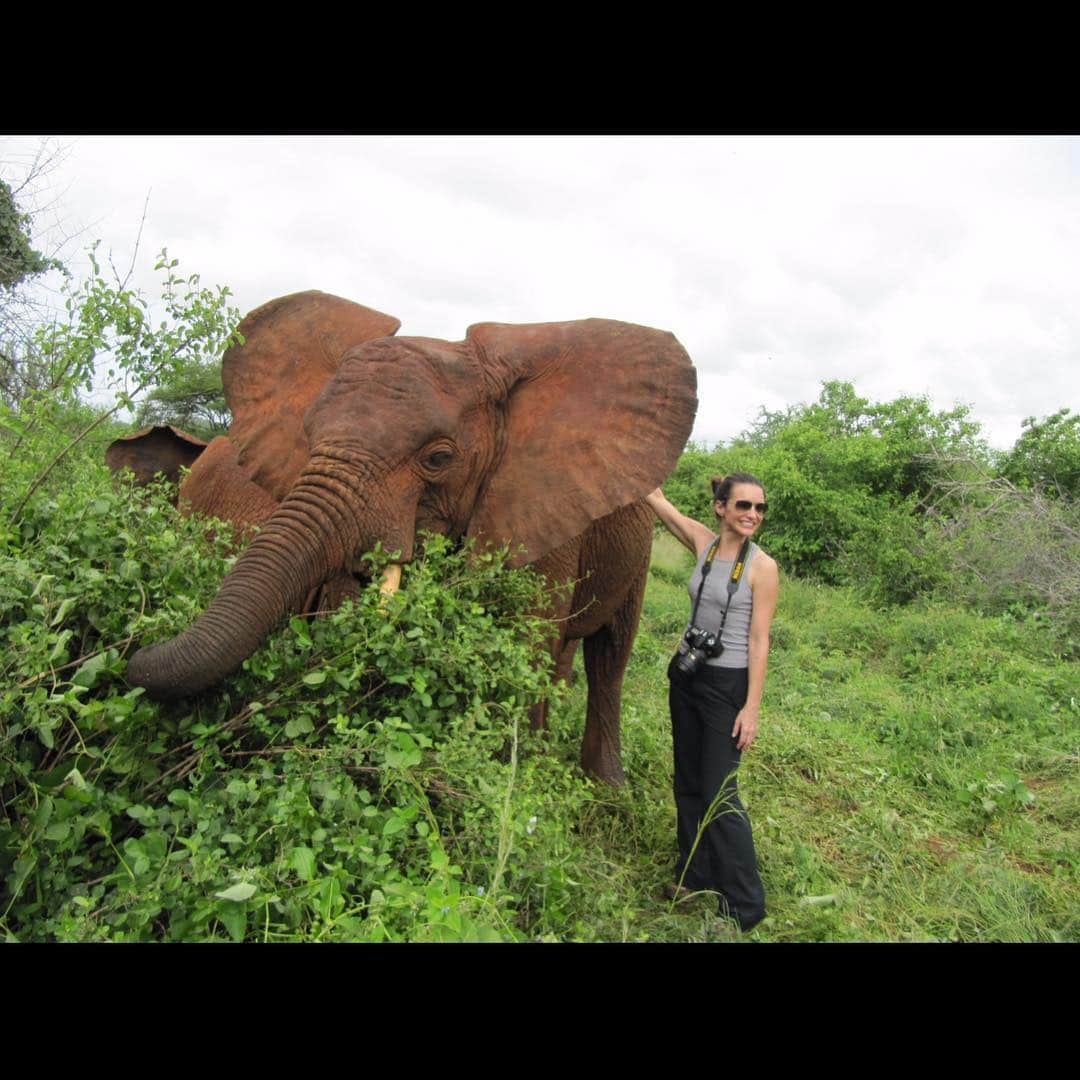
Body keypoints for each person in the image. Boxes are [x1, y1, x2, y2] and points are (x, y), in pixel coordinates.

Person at [645, 473, 778, 932]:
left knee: (721, 793)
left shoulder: (763, 567)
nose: (752, 515)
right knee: (687, 780)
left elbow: (760, 640)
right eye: (743, 505)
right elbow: (660, 505)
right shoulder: (703, 543)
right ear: (721, 507)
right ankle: (692, 875)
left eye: (760, 508)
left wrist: (752, 707)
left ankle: (744, 905)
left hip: (728, 684)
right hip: (687, 675)